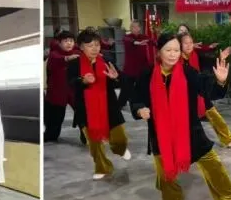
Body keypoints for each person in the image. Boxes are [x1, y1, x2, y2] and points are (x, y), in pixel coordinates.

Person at [129, 32, 231, 200]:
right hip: (160, 132)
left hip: (189, 131)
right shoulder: (147, 74)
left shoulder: (187, 72)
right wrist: (140, 109)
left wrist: (220, 82)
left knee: (213, 164)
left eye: (176, 50)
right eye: (168, 50)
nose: (173, 54)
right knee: (164, 169)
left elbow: (207, 89)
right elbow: (136, 98)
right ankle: (171, 199)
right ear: (159, 52)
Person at [70, 29, 131, 179]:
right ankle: (102, 168)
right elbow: (70, 83)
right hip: (86, 110)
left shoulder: (107, 60)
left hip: (109, 106)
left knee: (120, 137)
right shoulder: (74, 64)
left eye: (97, 45)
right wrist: (83, 80)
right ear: (81, 47)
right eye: (90, 45)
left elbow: (121, 80)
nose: (94, 48)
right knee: (94, 143)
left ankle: (120, 149)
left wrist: (115, 78)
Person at [179, 32, 231, 147]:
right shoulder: (175, 60)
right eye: (185, 43)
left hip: (198, 91)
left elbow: (209, 62)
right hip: (183, 97)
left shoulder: (195, 55)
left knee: (213, 113)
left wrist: (220, 58)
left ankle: (228, 139)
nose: (189, 45)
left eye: (190, 42)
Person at [44, 31, 79, 142]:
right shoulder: (54, 55)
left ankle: (87, 135)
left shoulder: (78, 53)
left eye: (71, 41)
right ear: (59, 43)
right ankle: (50, 135)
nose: (69, 43)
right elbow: (58, 60)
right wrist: (68, 58)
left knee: (83, 113)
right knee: (55, 117)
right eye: (65, 41)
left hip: (74, 91)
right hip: (57, 92)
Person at [120, 20, 154, 109]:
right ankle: (120, 104)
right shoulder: (127, 37)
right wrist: (135, 42)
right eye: (133, 27)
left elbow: (153, 41)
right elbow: (127, 40)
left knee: (143, 87)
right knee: (126, 88)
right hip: (130, 68)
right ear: (130, 28)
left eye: (137, 26)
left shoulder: (144, 37)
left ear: (140, 28)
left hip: (142, 68)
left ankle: (143, 104)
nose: (135, 28)